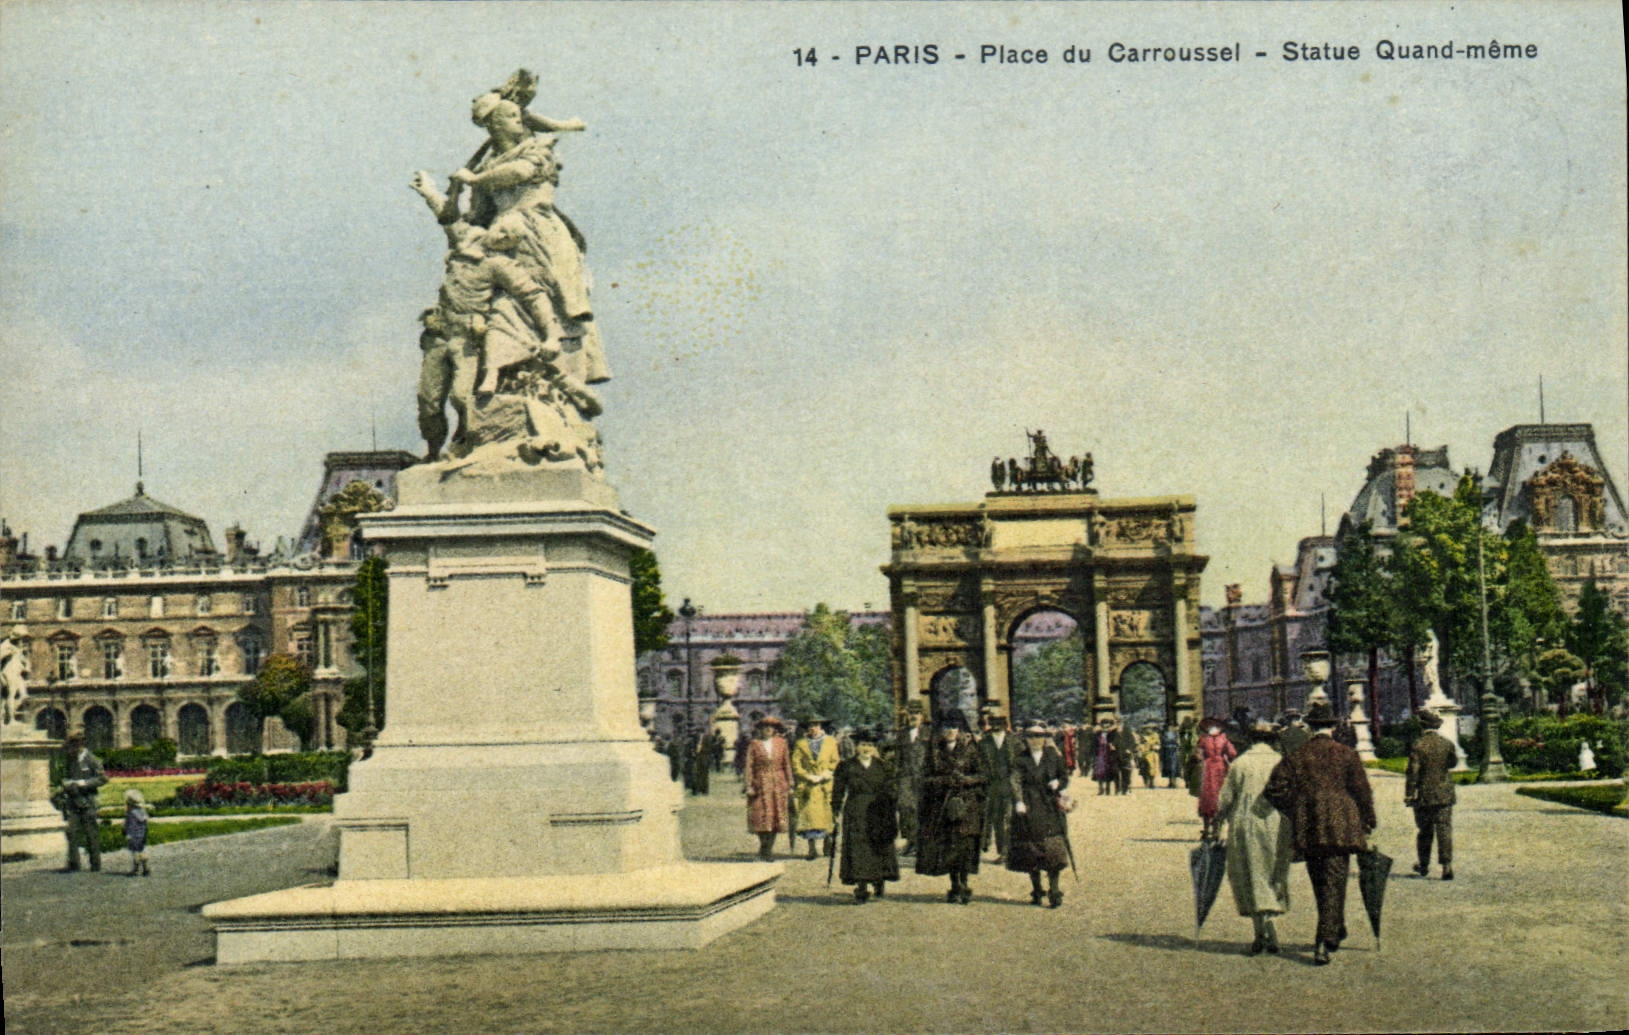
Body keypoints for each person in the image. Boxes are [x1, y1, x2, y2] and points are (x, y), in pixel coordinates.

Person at [1264, 700, 1377, 965]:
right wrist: (1368, 820)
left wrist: (1297, 807)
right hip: (1341, 824)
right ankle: (1323, 940)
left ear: (1310, 727)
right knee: (1336, 880)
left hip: (1310, 825)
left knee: (1320, 883)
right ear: (1334, 727)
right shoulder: (1346, 754)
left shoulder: (1298, 755)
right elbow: (1362, 791)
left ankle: (1334, 928)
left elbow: (1273, 790)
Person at [1215, 721, 1293, 955]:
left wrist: (1218, 820)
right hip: (1278, 824)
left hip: (1246, 823)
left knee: (1251, 873)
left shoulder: (1240, 763)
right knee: (1274, 873)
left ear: (1251, 740)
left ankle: (1260, 931)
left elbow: (1225, 799)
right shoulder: (1281, 761)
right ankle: (1269, 924)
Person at [916, 717, 987, 904]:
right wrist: (942, 781)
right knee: (949, 845)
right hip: (941, 805)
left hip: (967, 804)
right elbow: (924, 778)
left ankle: (964, 882)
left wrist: (966, 780)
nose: (950, 731)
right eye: (946, 727)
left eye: (954, 727)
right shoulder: (933, 751)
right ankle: (954, 884)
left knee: (965, 844)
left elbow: (983, 775)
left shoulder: (971, 749)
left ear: (960, 730)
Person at [831, 729, 900, 902]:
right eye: (863, 745)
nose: (866, 748)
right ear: (856, 746)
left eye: (869, 745)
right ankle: (861, 886)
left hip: (878, 810)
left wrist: (891, 803)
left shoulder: (883, 766)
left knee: (878, 845)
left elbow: (892, 788)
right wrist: (835, 809)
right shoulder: (846, 766)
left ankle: (879, 879)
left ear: (874, 747)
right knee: (858, 848)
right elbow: (838, 790)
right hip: (855, 810)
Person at [1008, 722, 1071, 908]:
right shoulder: (1020, 759)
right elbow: (1015, 780)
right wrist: (1018, 801)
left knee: (1053, 848)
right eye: (1031, 737)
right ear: (1025, 739)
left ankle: (1054, 888)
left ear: (1045, 738)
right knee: (1030, 850)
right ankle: (1036, 888)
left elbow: (1065, 777)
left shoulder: (1054, 756)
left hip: (1049, 806)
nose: (1035, 740)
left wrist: (1058, 784)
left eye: (1039, 736)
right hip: (1029, 806)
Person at [1405, 708, 1457, 881]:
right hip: (1444, 793)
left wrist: (1409, 793)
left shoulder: (1418, 745)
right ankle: (1447, 865)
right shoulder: (1447, 744)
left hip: (1424, 795)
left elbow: (1413, 772)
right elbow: (1452, 763)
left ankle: (1424, 865)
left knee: (1425, 831)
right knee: (1444, 829)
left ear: (1422, 727)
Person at [744, 716, 792, 860]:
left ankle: (768, 849)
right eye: (765, 728)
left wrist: (790, 783)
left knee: (776, 816)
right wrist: (749, 785)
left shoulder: (781, 743)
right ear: (760, 730)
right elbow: (749, 766)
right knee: (760, 815)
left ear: (774, 730)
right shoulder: (754, 744)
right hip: (760, 783)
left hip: (778, 783)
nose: (768, 730)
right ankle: (763, 845)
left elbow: (787, 764)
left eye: (771, 728)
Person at [792, 716, 840, 860]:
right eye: (809, 726)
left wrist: (827, 773)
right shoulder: (800, 744)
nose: (812, 728)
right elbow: (796, 764)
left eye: (815, 725)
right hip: (809, 785)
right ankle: (812, 848)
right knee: (809, 816)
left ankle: (828, 842)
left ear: (821, 726)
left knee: (828, 814)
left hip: (825, 784)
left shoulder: (831, 742)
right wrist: (807, 776)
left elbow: (835, 760)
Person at [59, 729, 107, 872]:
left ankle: (95, 864)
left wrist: (84, 783)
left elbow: (103, 778)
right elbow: (65, 776)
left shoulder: (92, 759)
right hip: (73, 802)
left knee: (90, 833)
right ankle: (74, 863)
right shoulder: (71, 759)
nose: (71, 749)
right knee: (71, 832)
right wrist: (66, 783)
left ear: (81, 745)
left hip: (88, 801)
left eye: (74, 745)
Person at [979, 711, 1017, 863]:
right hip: (991, 787)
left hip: (1010, 786)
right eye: (993, 724)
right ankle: (1002, 851)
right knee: (997, 821)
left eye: (999, 725)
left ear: (1005, 726)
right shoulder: (983, 743)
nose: (996, 727)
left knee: (1009, 819)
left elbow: (1020, 765)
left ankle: (1009, 852)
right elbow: (979, 764)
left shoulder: (1014, 742)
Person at [894, 702, 930, 856]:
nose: (914, 716)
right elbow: (897, 758)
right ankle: (910, 841)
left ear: (922, 715)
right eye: (911, 713)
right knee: (905, 809)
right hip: (906, 778)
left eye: (917, 712)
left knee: (922, 809)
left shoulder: (929, 733)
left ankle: (922, 843)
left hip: (924, 777)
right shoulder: (902, 734)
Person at [1196, 717, 1238, 840]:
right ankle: (1216, 830)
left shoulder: (1203, 740)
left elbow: (1198, 755)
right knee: (1219, 797)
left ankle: (1207, 829)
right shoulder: (1224, 739)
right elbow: (1232, 754)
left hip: (1208, 768)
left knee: (1207, 798)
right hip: (1220, 768)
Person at [1086, 717, 1118, 795]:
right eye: (1104, 724)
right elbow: (1093, 744)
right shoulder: (1097, 734)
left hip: (1108, 754)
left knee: (1108, 771)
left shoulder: (1112, 734)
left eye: (1107, 724)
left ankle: (1108, 788)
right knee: (1099, 771)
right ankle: (1100, 788)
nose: (1105, 726)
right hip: (1100, 754)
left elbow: (1116, 742)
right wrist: (1092, 753)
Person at [123, 789, 150, 877]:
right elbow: (145, 825)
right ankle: (146, 868)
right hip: (142, 835)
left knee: (135, 852)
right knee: (141, 850)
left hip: (134, 836)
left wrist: (128, 834)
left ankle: (136, 869)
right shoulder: (142, 813)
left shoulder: (131, 814)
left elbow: (131, 825)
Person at [1113, 718, 1139, 795]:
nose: (1117, 723)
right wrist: (1112, 745)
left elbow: (1132, 741)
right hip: (1116, 754)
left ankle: (1126, 788)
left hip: (1126, 755)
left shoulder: (1127, 730)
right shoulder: (1114, 732)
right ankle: (1117, 789)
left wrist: (1129, 749)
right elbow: (1111, 741)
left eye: (1118, 722)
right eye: (1116, 722)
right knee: (1116, 772)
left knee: (1126, 772)